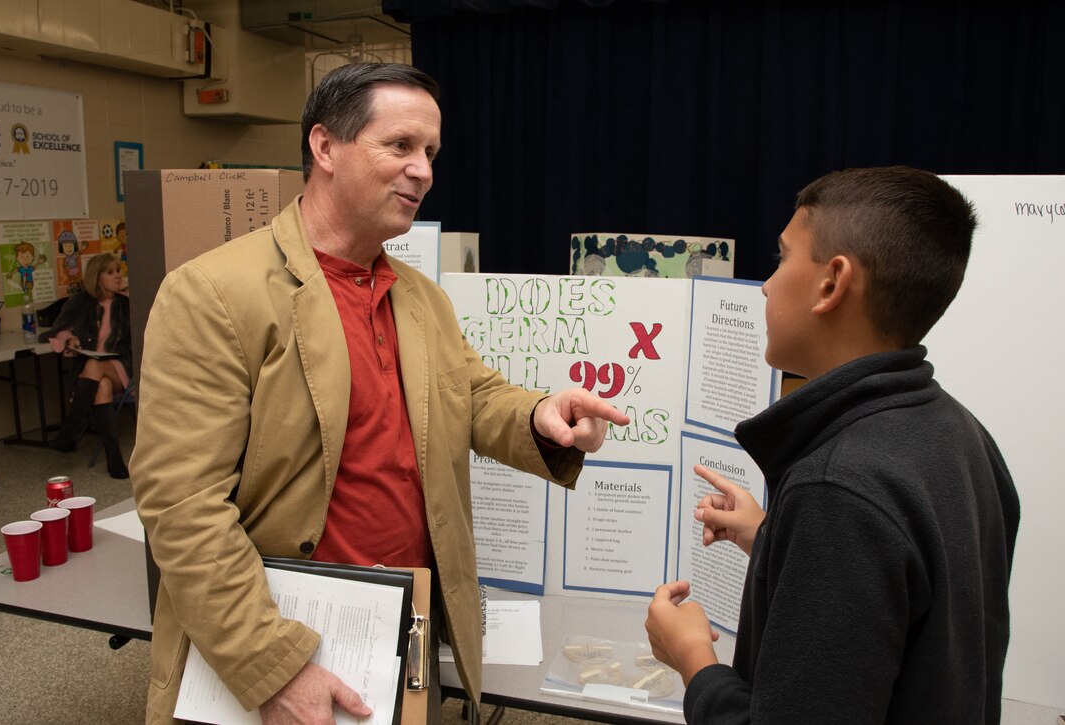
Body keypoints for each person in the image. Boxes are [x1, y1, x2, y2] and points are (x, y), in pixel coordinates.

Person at [129, 62, 629, 725]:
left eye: (430, 153)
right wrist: (274, 666)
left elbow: (470, 394)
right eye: (400, 146)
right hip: (283, 627)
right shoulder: (213, 293)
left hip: (400, 621)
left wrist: (541, 415)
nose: (422, 169)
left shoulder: (419, 297)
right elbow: (182, 506)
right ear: (324, 147)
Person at [645, 166, 1020, 723]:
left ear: (832, 282)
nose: (768, 284)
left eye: (782, 256)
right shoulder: (964, 433)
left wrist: (693, 658)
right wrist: (775, 541)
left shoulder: (838, 489)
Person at [40, 252, 132, 478]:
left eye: (118, 271)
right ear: (96, 277)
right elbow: (55, 331)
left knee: (93, 365)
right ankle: (114, 458)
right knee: (101, 386)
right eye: (110, 272)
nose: (117, 276)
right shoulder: (80, 302)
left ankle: (71, 431)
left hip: (121, 366)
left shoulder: (127, 303)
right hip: (93, 376)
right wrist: (69, 338)